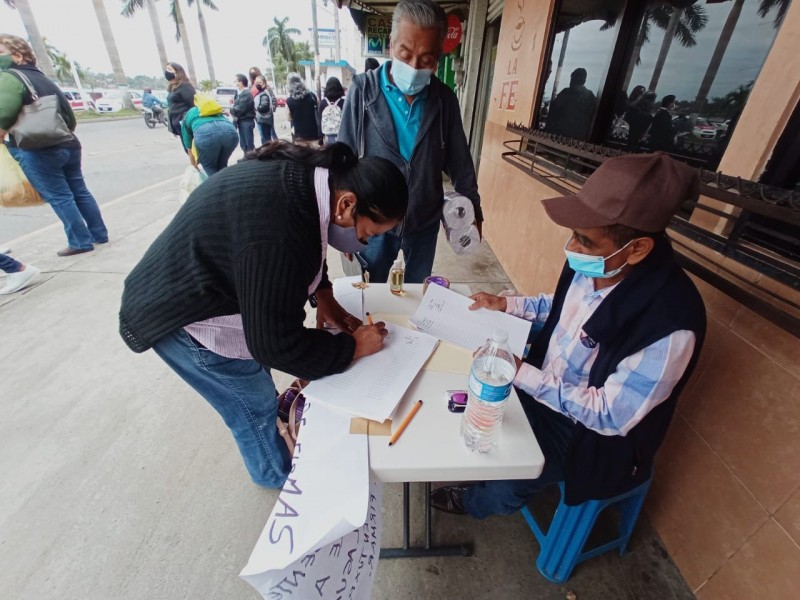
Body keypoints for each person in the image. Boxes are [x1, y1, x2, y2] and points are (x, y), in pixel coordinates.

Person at [430, 153, 707, 518]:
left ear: (637, 249)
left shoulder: (669, 326)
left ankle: (477, 503)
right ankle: (482, 470)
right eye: (574, 235)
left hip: (586, 434)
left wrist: (522, 373)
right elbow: (562, 306)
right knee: (464, 399)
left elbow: (609, 415)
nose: (572, 248)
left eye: (585, 241)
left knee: (513, 473)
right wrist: (508, 305)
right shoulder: (598, 262)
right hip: (545, 383)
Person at [118, 142, 409, 488]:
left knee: (257, 381)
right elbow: (274, 344)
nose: (363, 243)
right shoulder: (280, 227)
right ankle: (280, 479)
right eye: (368, 234)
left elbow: (307, 248)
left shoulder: (310, 183)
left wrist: (324, 296)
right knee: (251, 406)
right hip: (182, 316)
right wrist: (353, 348)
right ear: (347, 204)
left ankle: (279, 447)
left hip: (203, 285)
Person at [338, 0, 481, 283]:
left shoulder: (444, 101)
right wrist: (344, 227)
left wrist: (474, 211)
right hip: (373, 220)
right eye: (405, 54)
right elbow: (343, 158)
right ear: (391, 45)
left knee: (416, 292)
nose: (414, 66)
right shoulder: (363, 91)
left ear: (438, 56)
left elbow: (461, 163)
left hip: (423, 220)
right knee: (371, 291)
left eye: (426, 59)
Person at [0, 34, 108, 257]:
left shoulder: (10, 78)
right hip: (67, 142)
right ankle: (99, 233)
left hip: (38, 147)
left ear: (18, 55)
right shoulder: (43, 78)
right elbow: (68, 116)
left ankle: (80, 241)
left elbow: (4, 115)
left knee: (59, 196)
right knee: (79, 190)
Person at [180, 96, 239, 177]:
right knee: (222, 166)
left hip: (205, 134)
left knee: (209, 167)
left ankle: (217, 188)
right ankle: (227, 187)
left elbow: (189, 149)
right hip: (230, 131)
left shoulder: (189, 114)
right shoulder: (215, 109)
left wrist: (194, 167)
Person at [544, 68, 597, 140]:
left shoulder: (567, 92)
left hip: (561, 135)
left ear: (573, 79)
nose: (570, 81)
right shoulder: (590, 96)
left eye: (572, 78)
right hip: (579, 137)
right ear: (584, 81)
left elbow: (554, 109)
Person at [164, 62, 196, 149]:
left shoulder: (185, 86)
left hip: (185, 123)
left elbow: (193, 105)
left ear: (178, 72)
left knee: (191, 148)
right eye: (166, 69)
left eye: (170, 69)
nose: (167, 72)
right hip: (177, 123)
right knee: (187, 148)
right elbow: (172, 107)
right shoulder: (172, 87)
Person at [286, 72, 320, 147]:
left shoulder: (289, 101)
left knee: (303, 157)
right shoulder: (312, 96)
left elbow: (289, 118)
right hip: (314, 134)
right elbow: (318, 109)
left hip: (300, 137)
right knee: (315, 156)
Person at [231, 73, 256, 153]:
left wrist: (230, 110)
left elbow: (240, 109)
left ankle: (251, 160)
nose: (235, 83)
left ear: (241, 82)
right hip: (241, 121)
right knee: (243, 143)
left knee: (248, 144)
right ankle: (247, 158)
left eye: (236, 81)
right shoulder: (239, 94)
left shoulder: (246, 94)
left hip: (246, 121)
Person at [318, 76, 345, 146]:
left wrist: (320, 138)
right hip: (341, 137)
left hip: (327, 137)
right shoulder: (343, 102)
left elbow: (319, 121)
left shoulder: (323, 103)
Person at [254, 75, 278, 145]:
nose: (257, 84)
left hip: (265, 117)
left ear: (264, 83)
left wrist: (270, 110)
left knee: (269, 136)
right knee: (264, 136)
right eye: (256, 82)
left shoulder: (266, 91)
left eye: (259, 82)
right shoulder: (257, 91)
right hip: (260, 117)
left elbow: (272, 101)